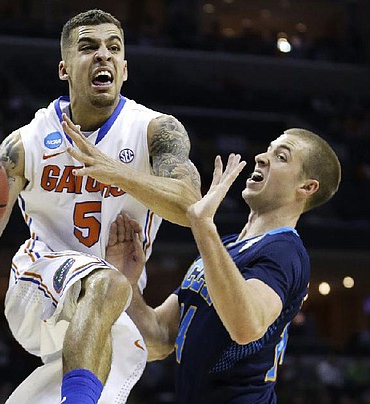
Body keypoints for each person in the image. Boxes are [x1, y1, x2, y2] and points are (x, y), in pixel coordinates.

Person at [0, 9, 200, 404]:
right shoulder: (26, 143)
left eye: (114, 48)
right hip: (38, 283)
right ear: (64, 68)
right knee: (106, 282)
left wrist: (116, 173)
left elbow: (190, 207)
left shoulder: (156, 130)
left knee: (147, 340)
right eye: (88, 47)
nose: (103, 56)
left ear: (125, 69)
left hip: (112, 294)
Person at [100, 129, 341, 403]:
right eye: (268, 150)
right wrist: (126, 283)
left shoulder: (285, 252)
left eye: (281, 157)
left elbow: (246, 327)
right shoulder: (221, 248)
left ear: (307, 187)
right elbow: (159, 339)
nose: (261, 158)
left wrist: (203, 226)